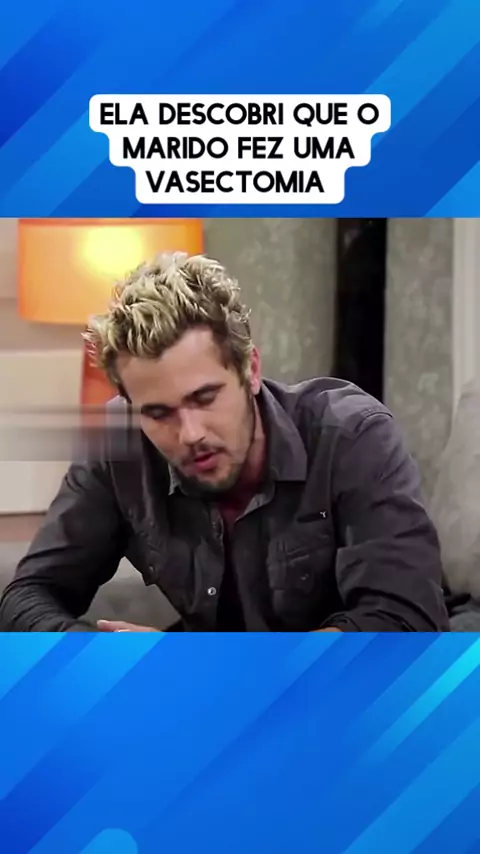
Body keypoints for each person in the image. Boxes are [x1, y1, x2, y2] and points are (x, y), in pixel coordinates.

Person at [0, 252, 449, 633]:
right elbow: (28, 596)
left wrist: (208, 672)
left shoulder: (351, 434)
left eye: (205, 397)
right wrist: (102, 656)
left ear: (250, 370)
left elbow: (404, 622)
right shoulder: (118, 445)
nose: (190, 433)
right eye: (158, 413)